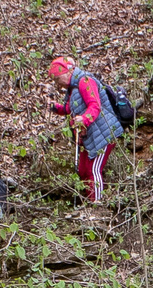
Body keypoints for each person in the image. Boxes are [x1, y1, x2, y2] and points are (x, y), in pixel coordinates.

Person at [49, 53, 123, 205]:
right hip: (89, 137)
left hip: (104, 133)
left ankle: (98, 204)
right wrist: (56, 108)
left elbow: (95, 105)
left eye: (57, 78)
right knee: (83, 170)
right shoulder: (72, 88)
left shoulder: (85, 81)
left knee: (93, 170)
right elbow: (71, 108)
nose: (58, 83)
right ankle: (90, 202)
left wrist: (84, 119)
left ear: (67, 71)